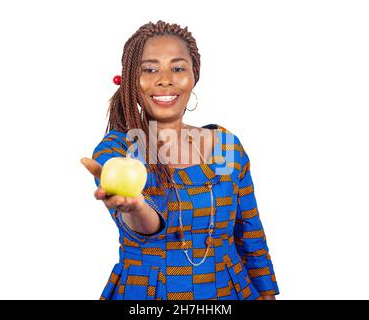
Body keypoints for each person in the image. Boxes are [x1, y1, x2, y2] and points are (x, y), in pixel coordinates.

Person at [81, 20, 279, 300]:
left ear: (194, 76)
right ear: (129, 80)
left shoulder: (225, 146)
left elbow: (250, 234)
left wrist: (268, 295)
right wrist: (135, 207)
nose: (165, 79)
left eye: (178, 68)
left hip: (228, 292)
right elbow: (145, 227)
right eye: (150, 69)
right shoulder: (119, 150)